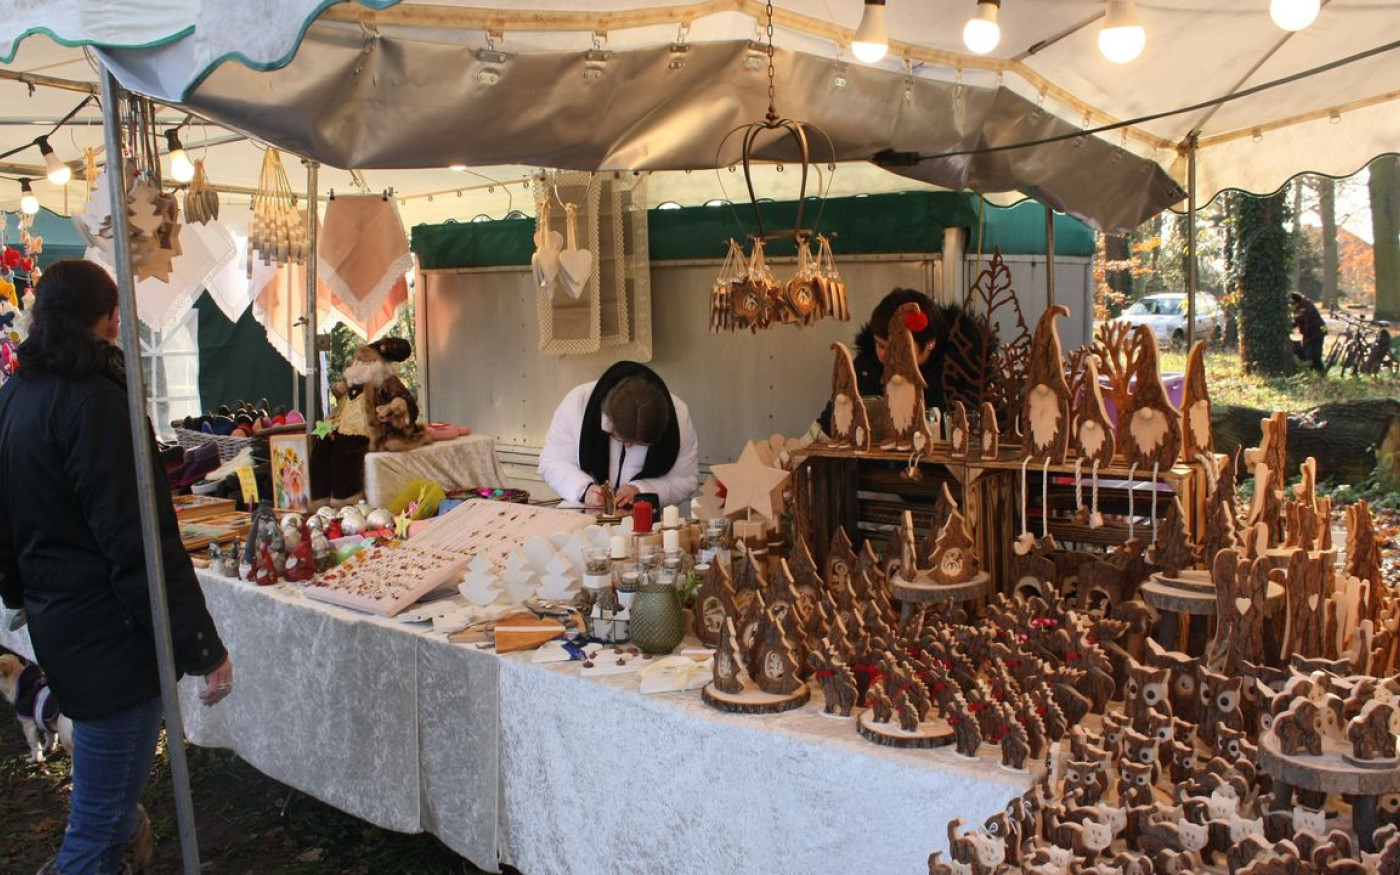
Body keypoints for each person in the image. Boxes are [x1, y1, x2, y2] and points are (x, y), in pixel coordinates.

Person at [0, 260, 232, 875]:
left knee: (110, 807)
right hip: (110, 637)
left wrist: (19, 591)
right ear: (107, 320)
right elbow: (140, 544)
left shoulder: (15, 395)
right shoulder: (97, 403)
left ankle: (124, 838)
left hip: (64, 622)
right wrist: (201, 645)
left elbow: (5, 521)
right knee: (97, 828)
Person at [538, 361, 699, 511]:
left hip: (644, 522)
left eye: (640, 443)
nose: (628, 445)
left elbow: (684, 480)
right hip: (584, 519)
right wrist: (583, 489)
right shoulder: (578, 402)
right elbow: (552, 462)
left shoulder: (678, 415)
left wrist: (642, 490)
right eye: (620, 438)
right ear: (607, 418)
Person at [821, 288, 985, 433]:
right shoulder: (866, 368)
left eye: (898, 348)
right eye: (881, 345)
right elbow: (829, 424)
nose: (887, 355)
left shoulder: (964, 373)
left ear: (930, 342)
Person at [1291, 291, 1326, 372]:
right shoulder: (1302, 304)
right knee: (1308, 350)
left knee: (1314, 352)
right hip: (1311, 332)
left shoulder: (1306, 305)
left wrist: (1291, 324)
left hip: (1318, 331)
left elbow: (1301, 318)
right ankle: (1315, 369)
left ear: (1296, 302)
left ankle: (1320, 370)